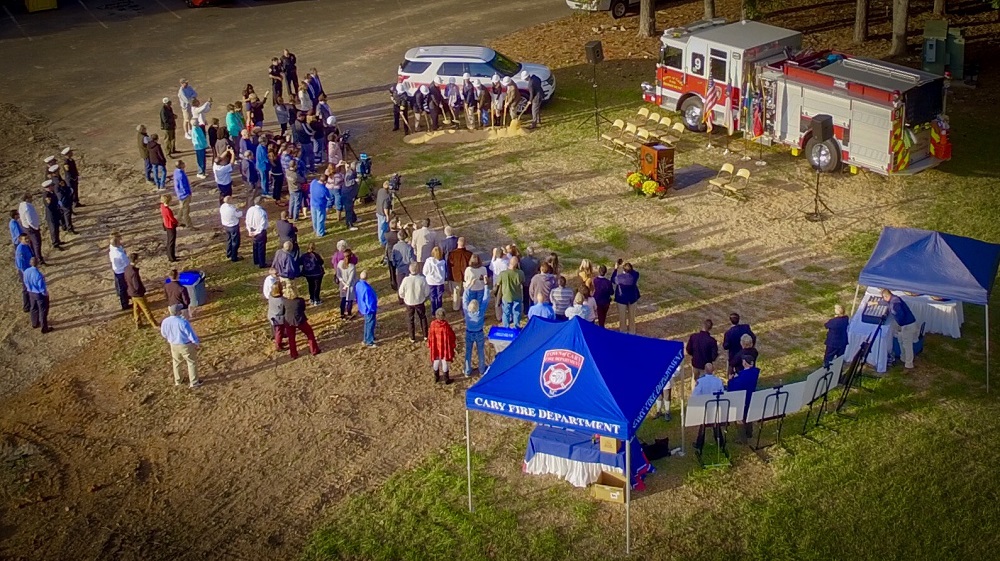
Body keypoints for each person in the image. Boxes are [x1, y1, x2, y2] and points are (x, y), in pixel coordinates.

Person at [160, 304, 201, 387]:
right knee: (191, 362)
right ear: (178, 312)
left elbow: (163, 333)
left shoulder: (165, 321)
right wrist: (196, 343)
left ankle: (178, 380)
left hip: (173, 345)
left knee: (176, 362)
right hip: (185, 345)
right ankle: (194, 382)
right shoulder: (183, 322)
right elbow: (190, 334)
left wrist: (170, 339)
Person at [692, 363, 726, 452]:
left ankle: (699, 445)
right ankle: (720, 443)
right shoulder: (718, 381)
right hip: (715, 406)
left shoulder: (701, 381)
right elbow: (722, 393)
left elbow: (695, 395)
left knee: (703, 426)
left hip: (705, 407)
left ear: (705, 370)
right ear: (713, 370)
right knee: (716, 425)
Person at [882, 289, 918, 369]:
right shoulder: (893, 299)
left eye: (883, 297)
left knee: (907, 345)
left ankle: (909, 365)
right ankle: (903, 359)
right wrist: (875, 303)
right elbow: (886, 302)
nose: (883, 299)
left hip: (908, 325)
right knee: (900, 341)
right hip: (904, 325)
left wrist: (900, 324)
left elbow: (899, 313)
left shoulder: (895, 303)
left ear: (886, 296)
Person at [282, 285, 320, 359]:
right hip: (300, 320)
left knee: (291, 337)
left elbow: (283, 311)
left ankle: (293, 354)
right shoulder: (300, 300)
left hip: (288, 321)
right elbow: (303, 309)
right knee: (309, 333)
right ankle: (314, 350)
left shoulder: (284, 301)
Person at [727, 355, 761, 437]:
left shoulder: (743, 376)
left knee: (739, 418)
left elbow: (734, 388)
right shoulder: (754, 372)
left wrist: (731, 380)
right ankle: (749, 433)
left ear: (745, 363)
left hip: (742, 399)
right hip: (750, 397)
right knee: (748, 416)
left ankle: (742, 439)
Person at [462, 280, 489, 376]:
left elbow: (465, 298)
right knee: (481, 351)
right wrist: (486, 285)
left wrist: (469, 286)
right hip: (479, 333)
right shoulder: (480, 312)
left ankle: (467, 370)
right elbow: (485, 299)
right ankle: (482, 369)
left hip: (469, 333)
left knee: (468, 352)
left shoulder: (466, 312)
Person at [399, 262, 430, 342]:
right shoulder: (422, 279)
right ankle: (425, 335)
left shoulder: (406, 280)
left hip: (409, 302)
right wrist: (424, 297)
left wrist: (404, 298)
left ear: (409, 270)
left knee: (410, 319)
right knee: (422, 317)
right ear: (418, 270)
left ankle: (412, 337)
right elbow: (427, 291)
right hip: (419, 301)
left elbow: (401, 292)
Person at [125, 253, 157, 328]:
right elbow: (137, 285)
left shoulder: (126, 268)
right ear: (135, 260)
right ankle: (154, 324)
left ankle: (138, 322)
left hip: (131, 292)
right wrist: (141, 291)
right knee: (146, 309)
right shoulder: (134, 272)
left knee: (136, 308)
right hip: (138, 294)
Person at [428, 308, 456, 384]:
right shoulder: (446, 326)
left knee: (436, 361)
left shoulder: (433, 324)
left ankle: (436, 377)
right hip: (444, 348)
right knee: (444, 362)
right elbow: (451, 336)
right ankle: (446, 379)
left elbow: (430, 335)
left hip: (436, 347)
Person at [24, 258, 52, 333]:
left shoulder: (26, 271)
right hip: (39, 294)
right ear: (38, 264)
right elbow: (41, 287)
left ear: (30, 263)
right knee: (42, 311)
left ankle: (34, 323)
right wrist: (45, 294)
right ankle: (44, 328)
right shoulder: (38, 275)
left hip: (30, 292)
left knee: (33, 307)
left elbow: (25, 281)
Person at [611, 260, 640, 334]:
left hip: (621, 299)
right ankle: (632, 331)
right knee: (632, 317)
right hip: (632, 298)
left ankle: (623, 331)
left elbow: (613, 279)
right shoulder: (634, 276)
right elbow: (635, 272)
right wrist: (629, 267)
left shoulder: (619, 278)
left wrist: (616, 269)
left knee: (622, 317)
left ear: (624, 270)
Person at [496, 256, 525, 328]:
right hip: (517, 295)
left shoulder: (503, 274)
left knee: (506, 313)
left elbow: (498, 283)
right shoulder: (520, 273)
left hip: (506, 296)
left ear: (509, 263)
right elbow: (523, 281)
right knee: (516, 312)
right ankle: (516, 327)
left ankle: (506, 327)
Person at [107, 233, 131, 311]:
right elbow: (127, 263)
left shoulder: (112, 247)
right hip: (121, 271)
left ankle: (122, 295)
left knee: (119, 285)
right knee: (123, 287)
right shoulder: (120, 255)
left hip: (116, 270)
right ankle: (125, 304)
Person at [447, 236, 473, 307]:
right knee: (467, 291)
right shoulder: (469, 254)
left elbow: (449, 265)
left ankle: (456, 306)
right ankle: (467, 305)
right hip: (466, 276)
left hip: (455, 276)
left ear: (457, 242)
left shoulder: (452, 254)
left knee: (456, 292)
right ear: (465, 244)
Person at [355, 270, 378, 347]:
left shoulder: (358, 284)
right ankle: (369, 341)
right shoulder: (367, 289)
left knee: (367, 323)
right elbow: (370, 301)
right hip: (369, 309)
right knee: (370, 324)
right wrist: (373, 308)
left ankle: (366, 338)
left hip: (363, 307)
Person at [18, 194, 43, 265]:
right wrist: (36, 227)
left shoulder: (21, 206)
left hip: (26, 227)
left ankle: (34, 257)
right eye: (30, 198)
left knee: (32, 243)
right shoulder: (27, 207)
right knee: (37, 243)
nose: (32, 199)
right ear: (26, 199)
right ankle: (39, 259)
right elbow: (30, 220)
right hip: (31, 228)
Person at [423, 246, 448, 315]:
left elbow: (424, 272)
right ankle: (440, 311)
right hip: (440, 282)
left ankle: (433, 311)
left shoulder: (428, 261)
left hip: (431, 282)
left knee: (433, 296)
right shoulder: (443, 262)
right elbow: (445, 272)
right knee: (439, 296)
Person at [246, 196, 269, 268]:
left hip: (252, 229)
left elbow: (247, 220)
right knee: (261, 248)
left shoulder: (250, 209)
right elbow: (262, 225)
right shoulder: (262, 212)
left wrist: (249, 230)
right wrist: (257, 232)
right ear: (261, 202)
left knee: (255, 246)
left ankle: (256, 260)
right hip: (260, 232)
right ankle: (262, 263)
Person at [219, 196, 243, 262]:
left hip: (226, 226)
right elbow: (239, 215)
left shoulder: (222, 207)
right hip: (233, 226)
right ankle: (234, 257)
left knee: (229, 240)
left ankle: (229, 253)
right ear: (229, 200)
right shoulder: (232, 209)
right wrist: (241, 211)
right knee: (235, 242)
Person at [41, 181, 63, 251]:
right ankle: (55, 243)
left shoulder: (51, 193)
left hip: (55, 213)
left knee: (56, 228)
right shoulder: (47, 195)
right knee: (53, 229)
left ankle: (58, 240)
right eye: (51, 186)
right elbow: (49, 206)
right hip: (51, 215)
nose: (53, 187)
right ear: (48, 187)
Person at [336, 249, 358, 319]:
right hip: (350, 285)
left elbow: (338, 274)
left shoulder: (339, 263)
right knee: (350, 300)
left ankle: (342, 313)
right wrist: (347, 285)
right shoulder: (352, 266)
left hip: (342, 284)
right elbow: (351, 278)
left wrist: (342, 282)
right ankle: (349, 313)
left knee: (343, 298)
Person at [172, 160, 194, 229]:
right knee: (186, 211)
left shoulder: (176, 172)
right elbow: (183, 186)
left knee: (181, 208)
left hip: (180, 195)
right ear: (181, 165)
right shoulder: (181, 175)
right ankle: (189, 225)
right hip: (184, 195)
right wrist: (187, 193)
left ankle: (177, 221)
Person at [160, 194, 179, 262]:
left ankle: (171, 255)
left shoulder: (162, 206)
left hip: (166, 224)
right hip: (170, 226)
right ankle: (171, 257)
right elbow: (172, 219)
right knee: (171, 242)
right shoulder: (167, 210)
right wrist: (177, 222)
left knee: (169, 241)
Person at [268, 283, 287, 350]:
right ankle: (278, 346)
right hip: (278, 319)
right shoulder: (281, 300)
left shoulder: (270, 295)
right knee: (279, 332)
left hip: (271, 315)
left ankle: (278, 341)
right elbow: (283, 310)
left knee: (276, 330)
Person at [375, 181, 393, 246]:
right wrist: (387, 215)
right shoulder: (387, 196)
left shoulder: (380, 191)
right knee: (383, 227)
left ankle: (380, 239)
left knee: (380, 226)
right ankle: (383, 241)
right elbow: (386, 207)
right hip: (383, 213)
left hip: (378, 211)